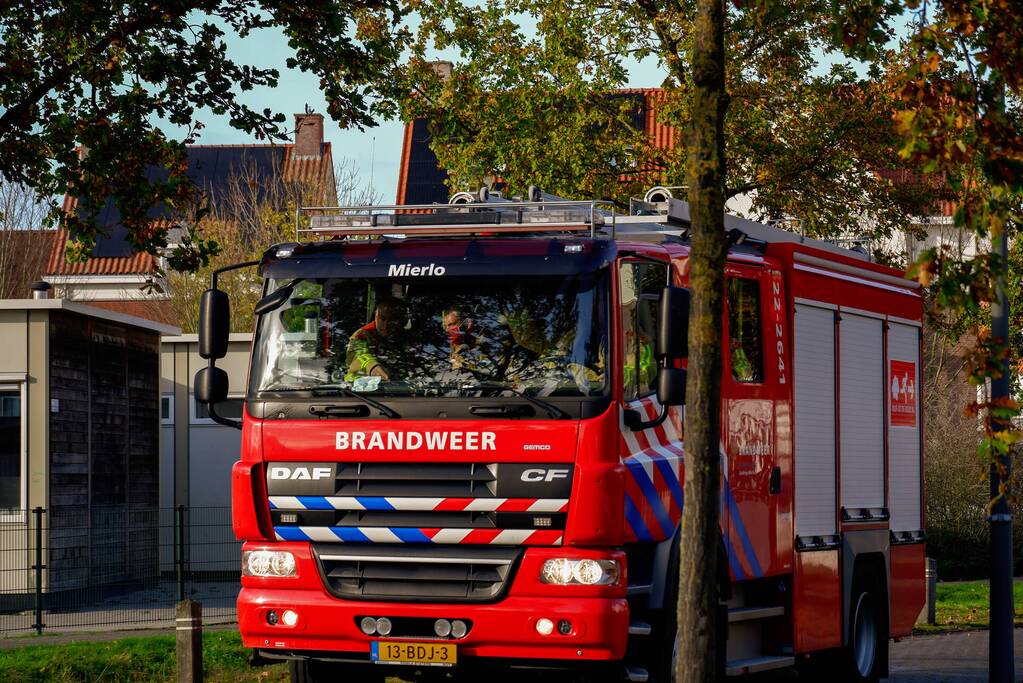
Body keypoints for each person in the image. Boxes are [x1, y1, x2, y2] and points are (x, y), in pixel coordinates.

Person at [345, 297, 407, 381]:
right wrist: (371, 366)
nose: (385, 325)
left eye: (391, 320)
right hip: (363, 386)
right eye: (382, 318)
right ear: (376, 316)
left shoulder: (406, 337)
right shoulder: (361, 335)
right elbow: (358, 353)